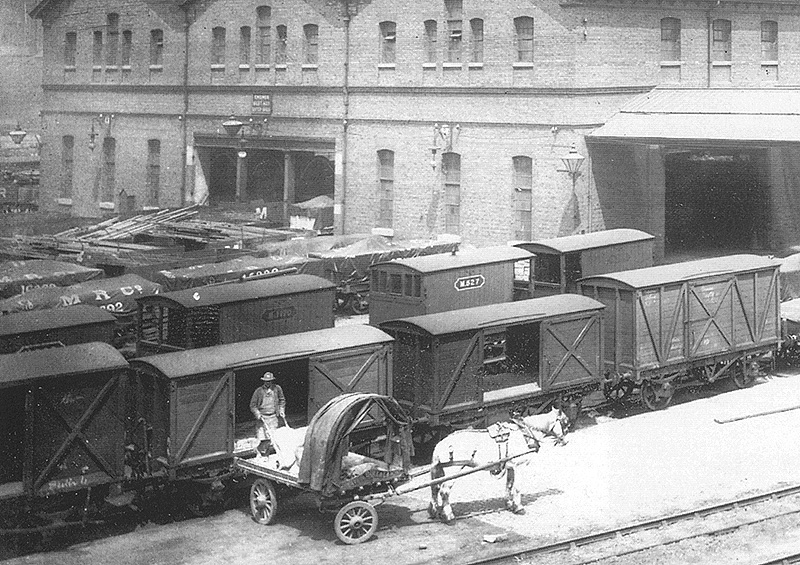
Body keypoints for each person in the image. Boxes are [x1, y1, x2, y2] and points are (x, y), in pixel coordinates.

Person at [249, 372, 286, 456]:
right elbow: (253, 405)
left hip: (273, 417)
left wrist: (281, 410)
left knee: (272, 437)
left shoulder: (277, 389)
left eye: (269, 381)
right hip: (262, 418)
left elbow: (282, 400)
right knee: (262, 438)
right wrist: (257, 413)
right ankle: (260, 454)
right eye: (266, 381)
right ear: (263, 381)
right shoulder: (258, 391)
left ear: (272, 381)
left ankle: (269, 454)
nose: (268, 383)